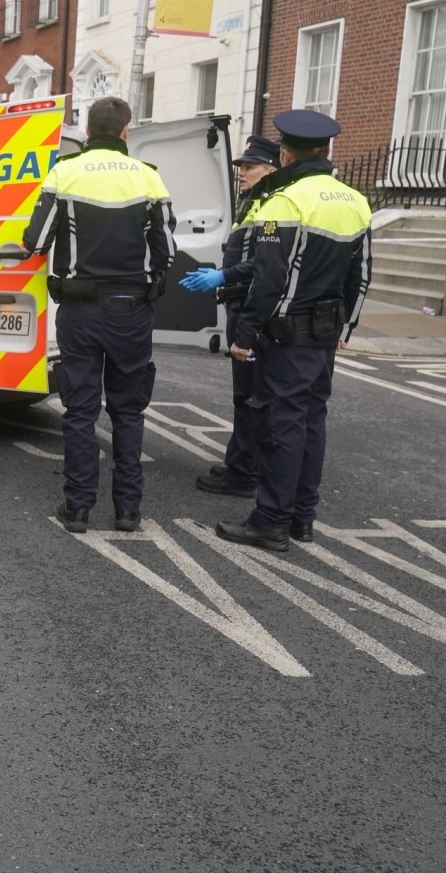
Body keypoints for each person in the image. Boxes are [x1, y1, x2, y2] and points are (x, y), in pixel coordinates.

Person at [214, 110, 371, 552]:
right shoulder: (355, 200)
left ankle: (270, 521)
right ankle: (302, 517)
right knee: (311, 423)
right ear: (326, 151)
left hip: (286, 335)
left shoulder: (287, 200)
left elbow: (268, 279)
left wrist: (244, 335)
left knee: (281, 425)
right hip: (324, 332)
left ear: (285, 153)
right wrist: (348, 324)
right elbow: (360, 275)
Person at [22, 96, 177, 534]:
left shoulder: (64, 172)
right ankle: (128, 510)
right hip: (131, 313)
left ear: (87, 131)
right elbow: (168, 249)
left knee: (80, 410)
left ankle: (78, 509)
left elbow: (35, 241)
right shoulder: (149, 179)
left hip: (80, 312)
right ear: (126, 131)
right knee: (128, 412)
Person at [181, 135, 281, 498]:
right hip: (240, 303)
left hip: (251, 306)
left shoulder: (271, 203)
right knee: (246, 395)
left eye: (249, 167)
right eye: (240, 167)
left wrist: (223, 276)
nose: (242, 173)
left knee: (252, 395)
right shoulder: (253, 201)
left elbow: (264, 263)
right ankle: (241, 463)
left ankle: (243, 474)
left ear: (270, 169)